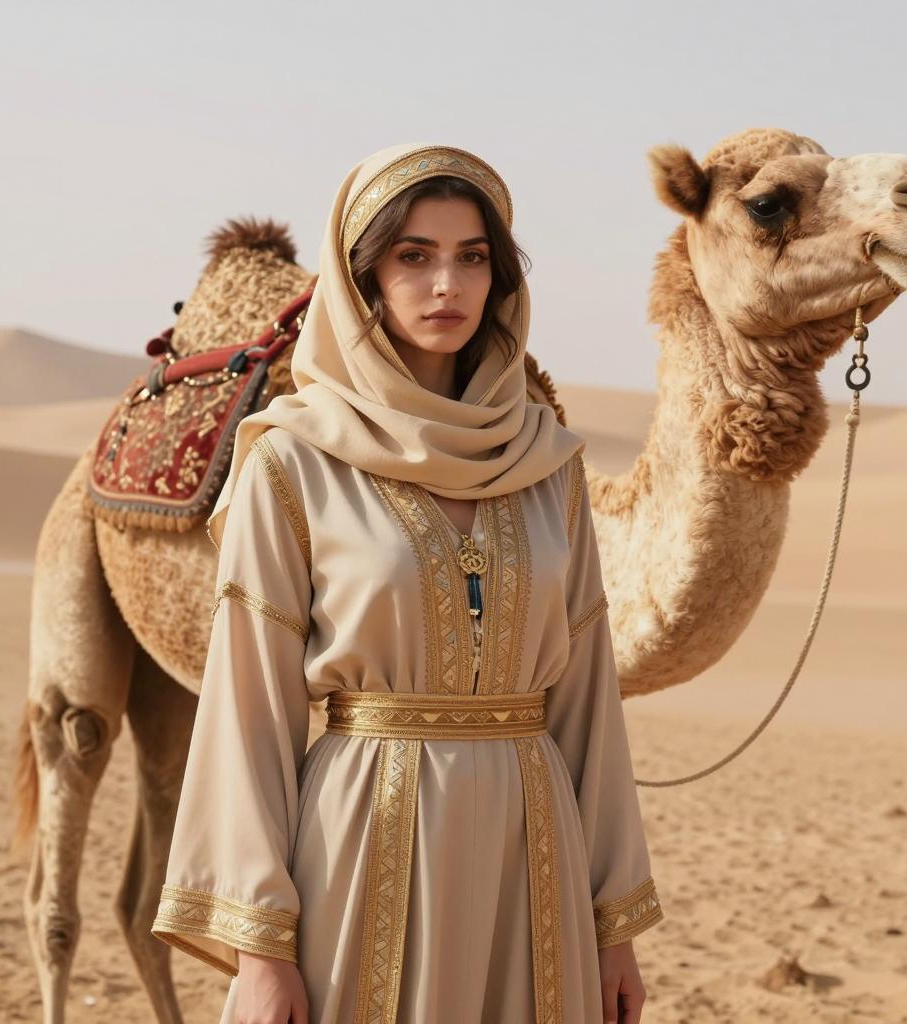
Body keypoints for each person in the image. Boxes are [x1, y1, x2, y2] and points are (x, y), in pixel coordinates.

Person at [151, 143, 664, 1024]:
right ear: (363, 280)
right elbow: (248, 712)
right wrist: (259, 948)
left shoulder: (549, 464)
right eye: (414, 256)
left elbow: (587, 703)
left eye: (472, 257)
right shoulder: (290, 461)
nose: (446, 285)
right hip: (359, 840)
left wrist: (612, 924)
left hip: (532, 842)